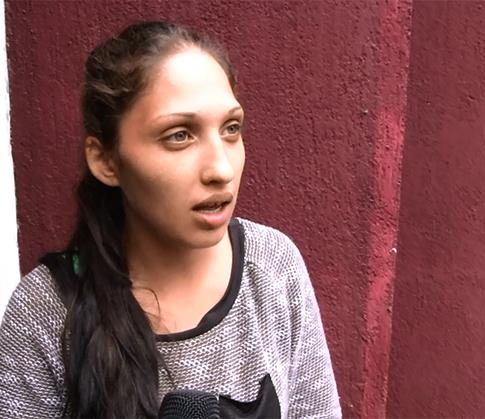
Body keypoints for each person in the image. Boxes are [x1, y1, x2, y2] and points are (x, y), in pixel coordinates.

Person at [0, 21, 341, 419]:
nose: (221, 169)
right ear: (106, 160)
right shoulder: (46, 311)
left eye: (231, 129)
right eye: (179, 135)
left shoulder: (272, 268)